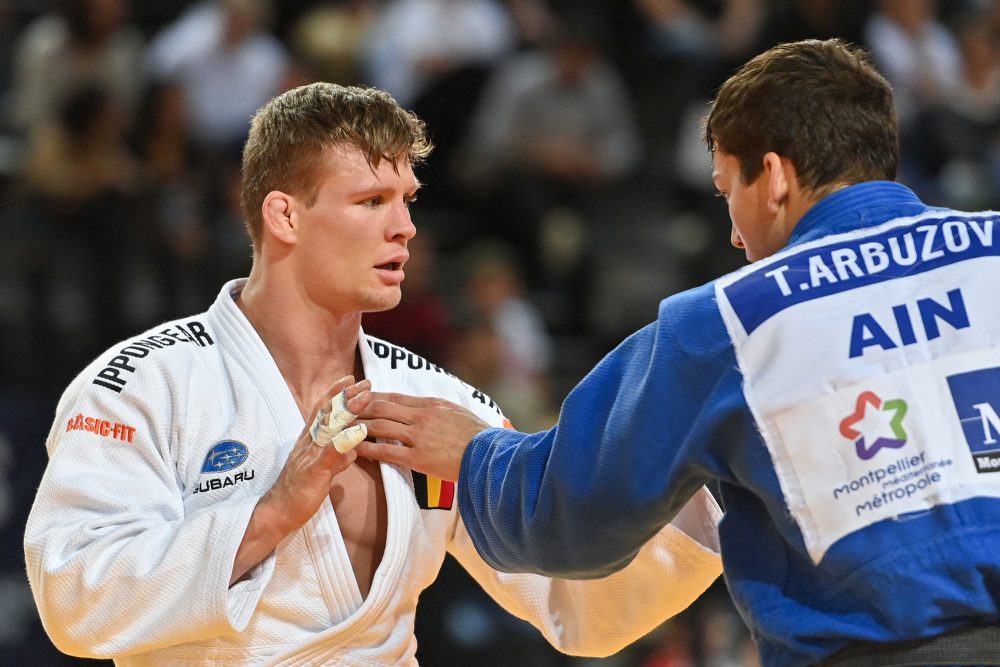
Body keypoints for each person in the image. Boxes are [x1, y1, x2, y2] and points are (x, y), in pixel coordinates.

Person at [22, 82, 724, 665]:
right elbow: (73, 597)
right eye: (370, 201)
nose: (405, 228)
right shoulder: (145, 384)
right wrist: (270, 514)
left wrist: (716, 491)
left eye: (408, 200)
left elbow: (577, 602)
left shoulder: (433, 402)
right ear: (285, 215)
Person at [356, 39, 1000, 666]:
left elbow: (573, 515)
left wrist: (474, 456)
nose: (734, 234)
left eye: (727, 192)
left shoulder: (730, 321)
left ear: (772, 177)